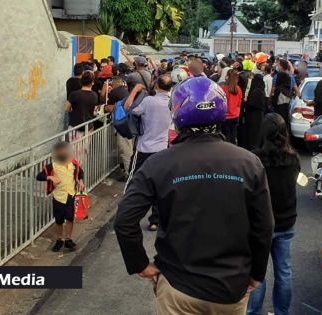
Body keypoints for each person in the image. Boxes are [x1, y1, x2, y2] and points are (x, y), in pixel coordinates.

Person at [114, 77, 274, 315]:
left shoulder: (158, 163)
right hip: (231, 288)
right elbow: (264, 226)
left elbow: (124, 220)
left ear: (177, 114)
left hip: (178, 287)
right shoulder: (249, 163)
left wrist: (140, 265)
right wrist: (255, 274)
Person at [246, 113, 300, 315]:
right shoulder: (293, 158)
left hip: (261, 224)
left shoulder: (255, 160)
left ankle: (254, 312)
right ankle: (281, 312)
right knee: (284, 271)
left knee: (257, 272)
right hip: (286, 222)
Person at [123, 74, 173, 231]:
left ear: (157, 86)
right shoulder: (173, 104)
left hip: (144, 148)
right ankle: (155, 220)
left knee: (134, 181)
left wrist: (135, 90)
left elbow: (128, 108)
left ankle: (127, 214)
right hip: (163, 149)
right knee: (160, 184)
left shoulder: (148, 101)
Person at [36, 141, 84, 252]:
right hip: (59, 197)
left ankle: (68, 239)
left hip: (71, 195)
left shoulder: (74, 164)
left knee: (70, 219)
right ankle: (59, 240)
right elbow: (39, 176)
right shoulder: (52, 166)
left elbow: (80, 173)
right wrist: (51, 178)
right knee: (59, 220)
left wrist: (81, 181)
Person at [103, 77, 133, 180]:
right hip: (129, 123)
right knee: (128, 148)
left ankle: (129, 175)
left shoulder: (114, 92)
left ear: (114, 84)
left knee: (125, 150)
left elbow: (111, 108)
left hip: (122, 125)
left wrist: (104, 107)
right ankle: (126, 171)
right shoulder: (126, 91)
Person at [64, 71, 98, 139]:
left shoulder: (74, 94)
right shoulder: (95, 95)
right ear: (92, 83)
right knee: (85, 148)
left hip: (75, 127)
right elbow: (95, 111)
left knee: (74, 148)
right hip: (88, 126)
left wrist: (73, 109)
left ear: (81, 81)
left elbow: (66, 108)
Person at [244, 74, 266, 150]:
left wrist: (245, 103)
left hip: (253, 116)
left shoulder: (255, 91)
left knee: (252, 134)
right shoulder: (261, 90)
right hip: (259, 116)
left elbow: (251, 104)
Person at [221, 69, 243, 144]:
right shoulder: (239, 89)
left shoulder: (223, 88)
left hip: (225, 118)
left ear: (227, 77)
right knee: (233, 138)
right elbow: (239, 105)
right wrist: (238, 117)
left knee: (225, 140)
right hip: (235, 117)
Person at [271, 60, 293, 126]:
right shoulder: (288, 88)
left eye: (278, 65)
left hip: (278, 112)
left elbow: (274, 102)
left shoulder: (278, 89)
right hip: (286, 111)